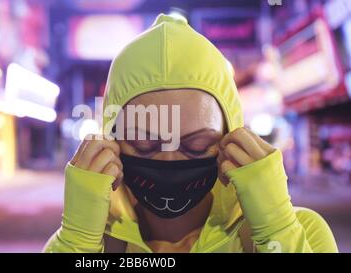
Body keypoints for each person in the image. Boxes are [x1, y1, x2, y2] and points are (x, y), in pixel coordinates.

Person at [44, 14, 338, 253]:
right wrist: (77, 241)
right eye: (144, 145)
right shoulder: (90, 243)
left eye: (198, 146)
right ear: (112, 140)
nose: (169, 160)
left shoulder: (301, 233)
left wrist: (276, 227)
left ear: (230, 136)